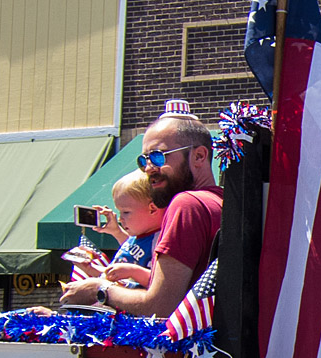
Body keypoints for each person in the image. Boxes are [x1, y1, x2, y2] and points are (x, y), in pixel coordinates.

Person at [62, 112, 223, 318]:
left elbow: (160, 307)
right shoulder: (219, 202)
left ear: (199, 156)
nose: (148, 168)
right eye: (143, 160)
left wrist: (99, 290)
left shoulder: (186, 204)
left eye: (158, 156)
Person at [94, 171, 166, 289]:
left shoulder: (161, 240)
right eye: (119, 212)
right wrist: (91, 267)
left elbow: (161, 282)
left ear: (152, 209)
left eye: (126, 212)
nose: (120, 218)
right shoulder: (137, 235)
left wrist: (133, 271)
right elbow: (131, 253)